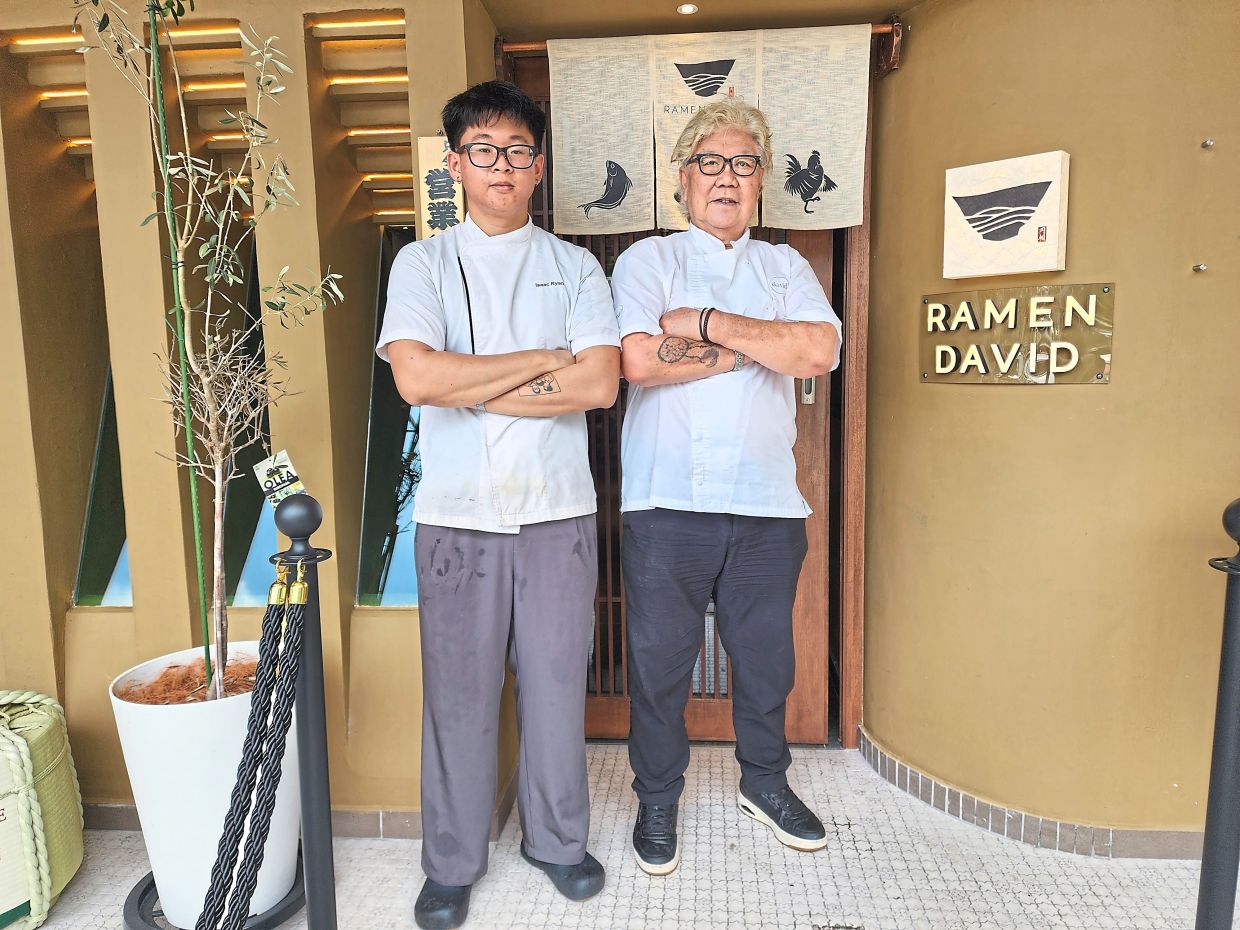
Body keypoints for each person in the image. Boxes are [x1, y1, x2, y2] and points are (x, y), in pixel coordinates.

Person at [376, 80, 620, 930]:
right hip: (456, 514)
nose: (502, 166)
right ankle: (450, 863)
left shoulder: (577, 266)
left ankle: (557, 842)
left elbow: (599, 382)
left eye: (518, 151)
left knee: (555, 688)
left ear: (539, 166)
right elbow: (417, 377)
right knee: (458, 697)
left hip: (558, 512)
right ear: (456, 165)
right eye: (484, 150)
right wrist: (542, 359)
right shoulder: (423, 264)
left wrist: (472, 382)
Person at [611, 98, 843, 876]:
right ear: (682, 179)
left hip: (766, 504)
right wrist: (759, 348)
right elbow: (639, 360)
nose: (726, 178)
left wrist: (707, 323)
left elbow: (818, 352)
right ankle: (657, 797)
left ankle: (765, 783)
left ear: (761, 181)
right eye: (709, 163)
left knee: (766, 660)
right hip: (665, 501)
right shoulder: (647, 260)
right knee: (660, 665)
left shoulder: (784, 267)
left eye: (744, 164)